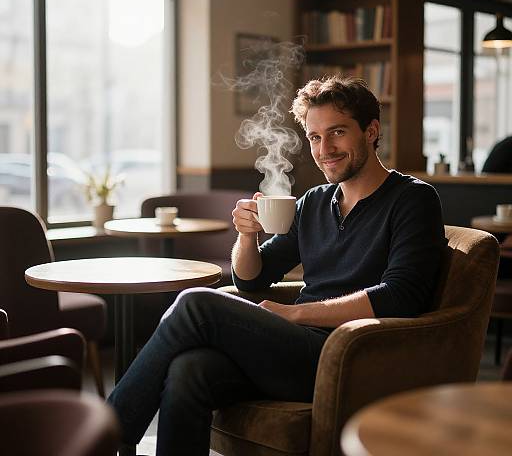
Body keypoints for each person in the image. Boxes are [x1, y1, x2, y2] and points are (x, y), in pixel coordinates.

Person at [107, 76, 445, 456]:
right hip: (296, 352)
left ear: (371, 131)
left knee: (195, 303)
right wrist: (247, 235)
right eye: (315, 137)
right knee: (189, 371)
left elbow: (402, 297)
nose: (325, 149)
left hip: (353, 354)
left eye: (337, 132)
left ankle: (104, 436)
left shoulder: (413, 199)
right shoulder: (314, 201)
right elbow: (251, 278)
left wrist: (297, 314)